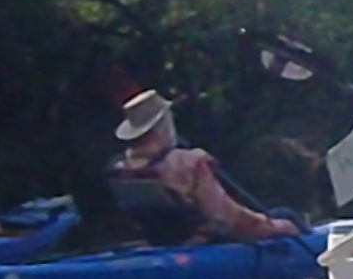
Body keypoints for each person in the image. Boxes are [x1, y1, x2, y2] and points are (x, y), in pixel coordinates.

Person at [110, 90, 305, 244]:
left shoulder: (120, 168)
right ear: (164, 124)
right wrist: (274, 227)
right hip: (204, 244)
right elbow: (228, 218)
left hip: (162, 244)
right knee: (285, 215)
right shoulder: (189, 162)